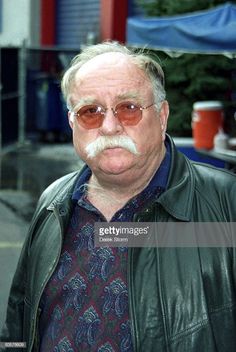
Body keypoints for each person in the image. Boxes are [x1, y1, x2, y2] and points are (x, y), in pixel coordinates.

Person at [1, 41, 236, 352]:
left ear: (162, 116)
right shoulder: (53, 202)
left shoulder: (225, 204)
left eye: (128, 108)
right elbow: (18, 325)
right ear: (72, 122)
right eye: (90, 112)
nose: (109, 126)